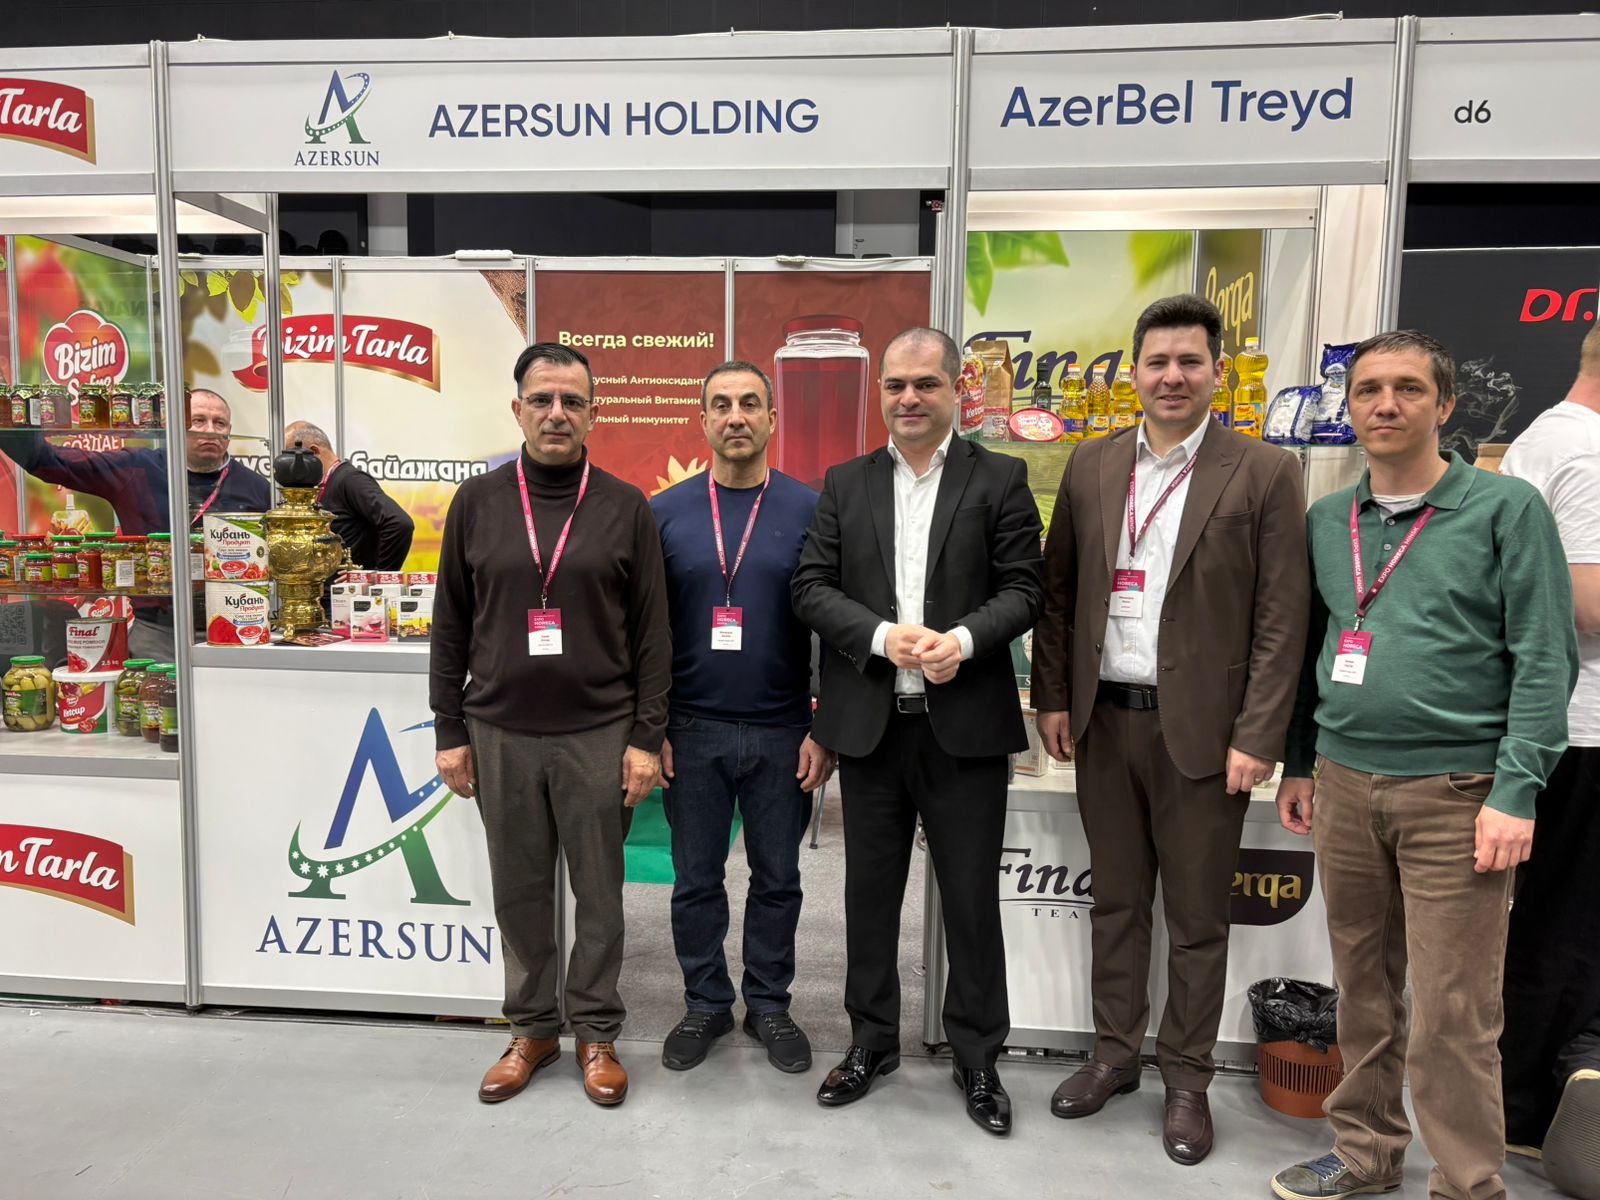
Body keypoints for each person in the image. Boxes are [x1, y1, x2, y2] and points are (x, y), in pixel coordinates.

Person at [1271, 330, 1579, 1200]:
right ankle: (1366, 1152)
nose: (1386, 405)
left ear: (1444, 405)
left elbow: (1545, 658)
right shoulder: (1329, 519)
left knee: (1454, 1009)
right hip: (1344, 783)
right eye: (1369, 389)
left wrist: (1516, 789)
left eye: (1408, 388)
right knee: (1363, 990)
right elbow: (1313, 649)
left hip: (1459, 794)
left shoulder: (1505, 509)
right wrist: (1302, 763)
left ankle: (1468, 1182)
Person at [1031, 294, 1310, 1167]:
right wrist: (1052, 699)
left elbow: (1283, 618)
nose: (1173, 377)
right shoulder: (1092, 463)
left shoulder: (1263, 471)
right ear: (1135, 374)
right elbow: (1058, 593)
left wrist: (1259, 735)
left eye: (1190, 362)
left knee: (1195, 919)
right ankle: (1114, 1055)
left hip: (1205, 736)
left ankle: (1187, 1080)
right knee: (1116, 904)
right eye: (1158, 362)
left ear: (1217, 373)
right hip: (1105, 722)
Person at [791, 326, 1043, 1136]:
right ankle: (872, 1043)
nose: (909, 398)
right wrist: (878, 637)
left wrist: (961, 641)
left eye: (925, 383)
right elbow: (811, 586)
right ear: (881, 393)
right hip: (871, 729)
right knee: (869, 900)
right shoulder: (846, 483)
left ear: (955, 388)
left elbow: (1025, 589)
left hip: (963, 729)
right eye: (895, 384)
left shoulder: (1000, 477)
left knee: (970, 901)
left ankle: (978, 1056)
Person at [429, 342, 670, 1109]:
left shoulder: (625, 506)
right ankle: (532, 1029)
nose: (556, 413)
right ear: (518, 409)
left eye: (572, 401)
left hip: (598, 732)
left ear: (593, 413)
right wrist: (448, 730)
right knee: (520, 890)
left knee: (599, 895)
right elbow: (450, 624)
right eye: (542, 399)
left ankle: (596, 1032)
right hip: (498, 731)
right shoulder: (477, 502)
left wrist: (646, 737)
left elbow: (653, 634)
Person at [650, 361, 834, 1076]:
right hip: (690, 729)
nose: (736, 417)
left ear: (771, 419)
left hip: (783, 730)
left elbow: (834, 629)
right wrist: (653, 729)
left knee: (778, 878)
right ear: (702, 420)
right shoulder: (664, 512)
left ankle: (769, 1005)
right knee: (696, 880)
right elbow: (646, 633)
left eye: (750, 403)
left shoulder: (811, 510)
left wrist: (824, 728)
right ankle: (705, 1003)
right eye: (721, 405)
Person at [1497, 321, 1600, 1196]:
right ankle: (1531, 1111)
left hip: (1554, 727)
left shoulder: (1541, 438)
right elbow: (1583, 601)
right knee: (1562, 930)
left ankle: (1531, 1102)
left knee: (1547, 925)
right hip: (1581, 728)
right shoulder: (1585, 452)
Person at [1, 386, 271, 659]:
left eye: (219, 423)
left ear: (229, 431)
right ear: (175, 423)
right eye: (198, 420)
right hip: (158, 631)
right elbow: (53, 462)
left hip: (239, 623)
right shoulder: (138, 468)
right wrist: (7, 415)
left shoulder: (256, 487)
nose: (210, 431)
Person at [283, 420, 414, 570]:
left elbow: (400, 523)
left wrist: (377, 576)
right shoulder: (327, 483)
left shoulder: (351, 480)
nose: (289, 466)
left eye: (293, 457)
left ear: (314, 451)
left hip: (351, 585)